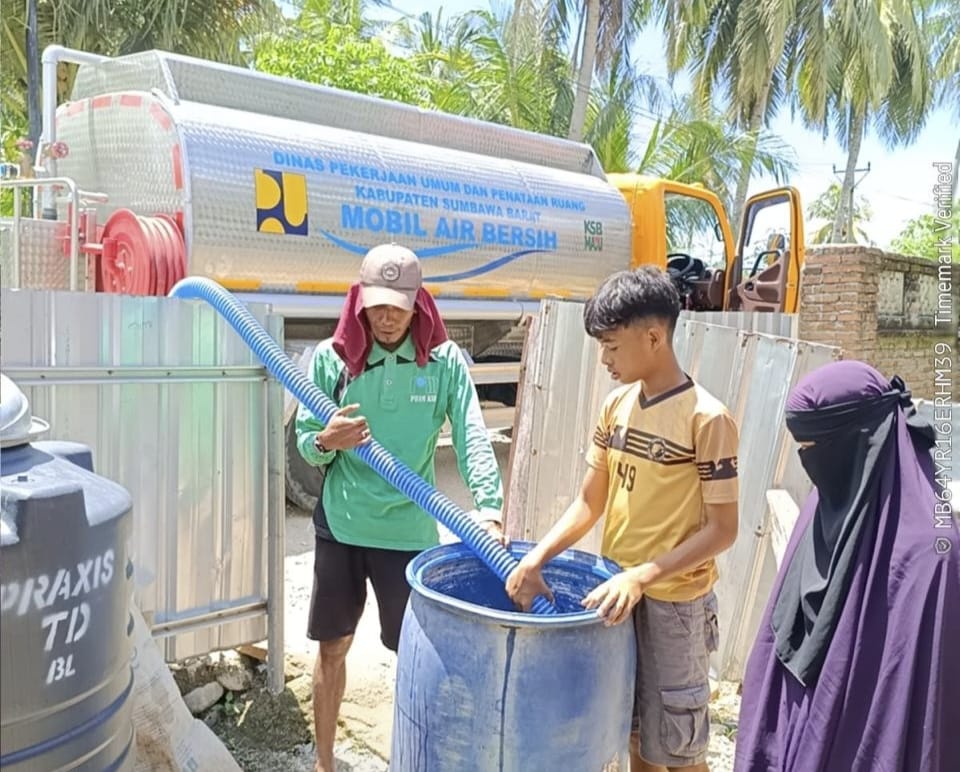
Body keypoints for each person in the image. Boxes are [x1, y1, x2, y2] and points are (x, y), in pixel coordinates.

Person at [506, 266, 740, 772]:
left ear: (654, 336)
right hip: (616, 593)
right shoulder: (616, 407)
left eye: (612, 346)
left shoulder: (707, 418)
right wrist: (537, 559)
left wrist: (644, 575)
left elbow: (723, 529)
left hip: (675, 605)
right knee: (632, 735)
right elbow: (590, 502)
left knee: (679, 749)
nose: (604, 359)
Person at [295, 243, 507, 772]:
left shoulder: (443, 363)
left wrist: (489, 508)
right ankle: (324, 763)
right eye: (377, 304)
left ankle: (416, 761)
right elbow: (303, 440)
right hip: (342, 525)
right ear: (360, 300)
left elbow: (471, 436)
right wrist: (327, 440)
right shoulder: (332, 357)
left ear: (418, 303)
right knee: (333, 646)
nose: (386, 316)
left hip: (409, 533)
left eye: (398, 304)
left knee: (415, 657)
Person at [734, 360, 960, 772]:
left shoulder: (930, 553)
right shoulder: (829, 500)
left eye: (814, 447)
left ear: (859, 442)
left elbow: (917, 708)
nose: (807, 460)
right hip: (802, 722)